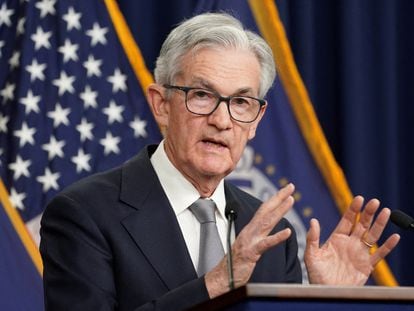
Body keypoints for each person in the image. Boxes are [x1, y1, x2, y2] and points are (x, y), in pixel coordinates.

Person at [40, 12, 400, 310]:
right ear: (161, 105)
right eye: (201, 95)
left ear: (256, 121)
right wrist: (212, 286)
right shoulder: (84, 214)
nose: (222, 120)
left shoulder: (272, 233)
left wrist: (324, 302)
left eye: (242, 103)